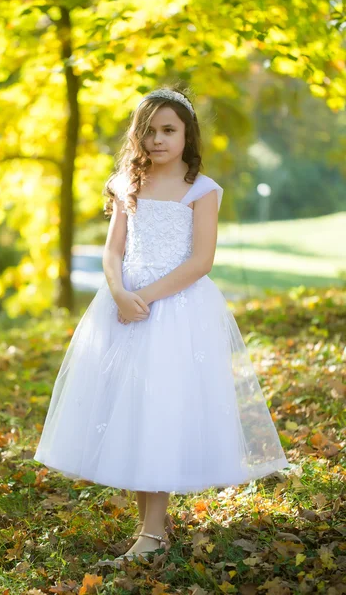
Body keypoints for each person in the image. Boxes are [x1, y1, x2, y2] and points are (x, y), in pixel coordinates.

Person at [33, 86, 289, 566]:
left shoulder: (201, 190)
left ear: (187, 134)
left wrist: (144, 297)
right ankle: (151, 529)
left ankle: (151, 536)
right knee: (133, 409)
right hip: (124, 307)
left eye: (168, 130)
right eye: (148, 131)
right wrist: (118, 292)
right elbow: (113, 250)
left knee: (160, 408)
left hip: (174, 309)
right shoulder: (128, 184)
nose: (157, 140)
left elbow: (201, 261)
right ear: (137, 136)